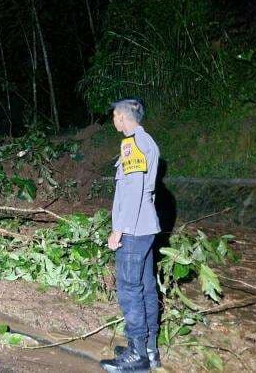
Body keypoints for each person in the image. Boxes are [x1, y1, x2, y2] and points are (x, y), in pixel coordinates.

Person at [100, 99, 161, 372]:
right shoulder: (149, 141)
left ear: (122, 118)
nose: (114, 120)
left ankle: (138, 356)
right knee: (146, 287)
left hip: (134, 230)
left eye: (114, 116)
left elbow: (134, 190)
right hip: (147, 228)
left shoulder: (131, 144)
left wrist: (118, 230)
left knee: (129, 289)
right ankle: (149, 348)